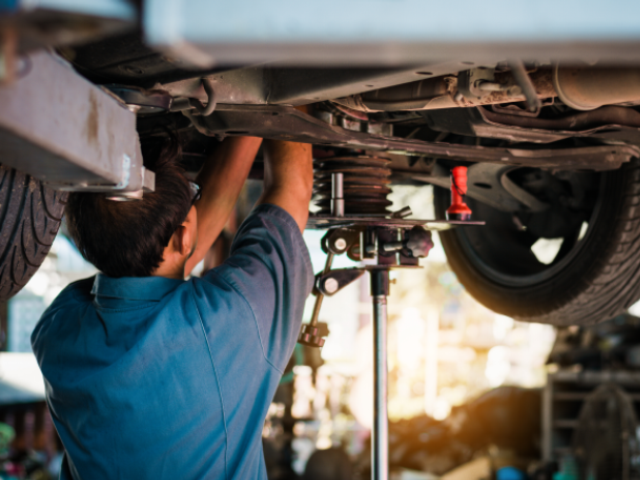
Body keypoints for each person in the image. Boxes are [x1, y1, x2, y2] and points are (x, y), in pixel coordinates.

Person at [31, 136, 314, 479]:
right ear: (183, 236)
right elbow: (161, 258)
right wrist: (263, 101)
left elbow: (291, 191)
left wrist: (262, 115)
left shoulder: (57, 335)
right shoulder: (57, 330)